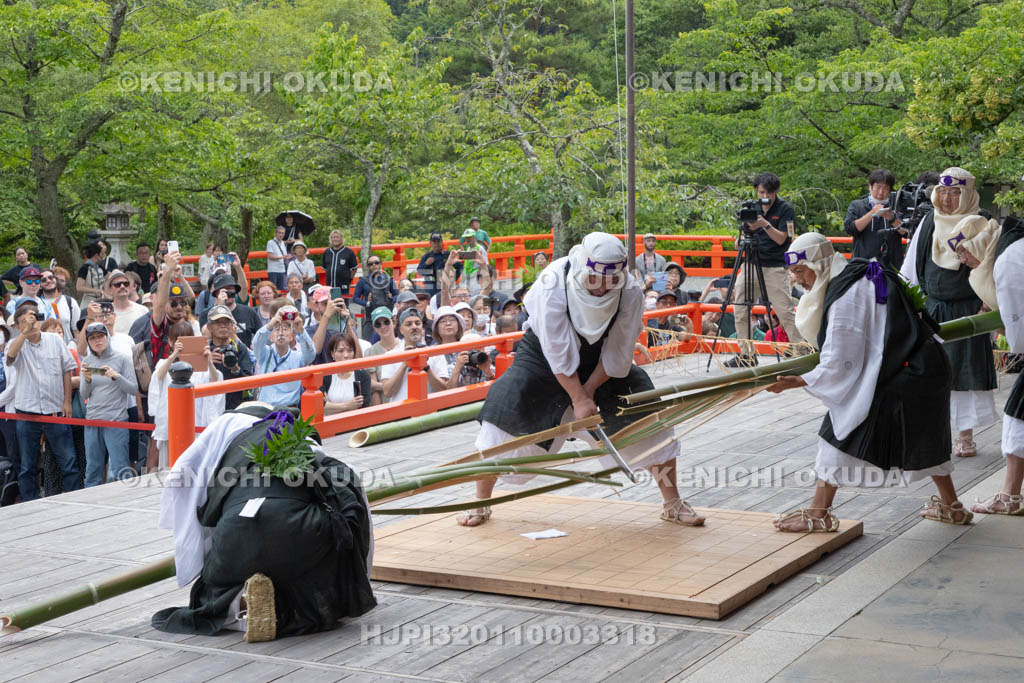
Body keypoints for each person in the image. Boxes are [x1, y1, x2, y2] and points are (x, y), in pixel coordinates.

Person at [460, 233, 705, 527]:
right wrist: (578, 397)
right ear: (583, 268)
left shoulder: (629, 290)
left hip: (602, 363)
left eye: (610, 281)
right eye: (595, 280)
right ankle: (481, 501)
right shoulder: (552, 282)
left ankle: (672, 503)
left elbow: (618, 352)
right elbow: (556, 348)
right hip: (542, 357)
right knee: (504, 409)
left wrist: (588, 392)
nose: (602, 289)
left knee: (646, 413)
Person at [767, 233, 972, 530]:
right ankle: (952, 507)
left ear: (818, 264)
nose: (797, 279)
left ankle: (818, 513)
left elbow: (841, 361)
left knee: (839, 431)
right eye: (792, 272)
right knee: (925, 436)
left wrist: (800, 380)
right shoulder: (855, 271)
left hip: (909, 370)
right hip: (927, 364)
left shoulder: (846, 294)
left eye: (800, 270)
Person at [152, 405, 375, 641]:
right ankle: (284, 607)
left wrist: (197, 549)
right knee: (310, 582)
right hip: (300, 527)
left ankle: (240, 607)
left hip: (235, 528)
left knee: (214, 591)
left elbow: (180, 476)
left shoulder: (224, 427)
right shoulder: (301, 438)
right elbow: (346, 486)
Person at [900, 167, 999, 458]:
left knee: (964, 373)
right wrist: (911, 302)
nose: (946, 198)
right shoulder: (929, 220)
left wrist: (988, 300)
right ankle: (934, 430)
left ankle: (964, 435)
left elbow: (993, 266)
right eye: (942, 191)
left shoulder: (983, 223)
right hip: (933, 308)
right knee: (931, 372)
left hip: (969, 308)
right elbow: (912, 266)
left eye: (955, 192)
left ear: (967, 193)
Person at [972, 216, 1024, 515]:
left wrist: (1006, 330)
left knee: (1017, 415)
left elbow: (1018, 337)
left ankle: (1009, 496)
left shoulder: (1011, 258)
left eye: (967, 254)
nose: (965, 261)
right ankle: (1011, 494)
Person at [5, 299, 80, 501]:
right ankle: (30, 503)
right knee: (27, 464)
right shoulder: (15, 343)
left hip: (54, 409)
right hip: (26, 412)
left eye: (35, 318)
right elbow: (11, 358)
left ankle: (75, 499)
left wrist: (66, 402)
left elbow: (67, 370)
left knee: (68, 461)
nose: (32, 323)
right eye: (25, 321)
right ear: (18, 325)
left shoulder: (54, 340)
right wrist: (24, 332)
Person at [726, 172, 803, 367]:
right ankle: (746, 354)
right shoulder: (752, 207)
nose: (764, 196)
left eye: (768, 192)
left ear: (775, 191)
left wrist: (765, 224)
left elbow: (783, 239)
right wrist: (740, 240)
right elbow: (743, 236)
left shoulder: (785, 209)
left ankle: (802, 351)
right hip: (751, 262)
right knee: (741, 307)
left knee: (784, 311)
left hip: (775, 267)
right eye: (761, 192)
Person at [148, 321, 224, 470]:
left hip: (196, 421)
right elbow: (159, 376)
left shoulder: (201, 365)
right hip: (172, 421)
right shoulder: (165, 363)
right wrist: (174, 355)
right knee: (170, 466)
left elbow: (215, 379)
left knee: (196, 466)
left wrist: (209, 361)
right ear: (170, 342)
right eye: (178, 340)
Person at [79, 322, 138, 487]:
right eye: (92, 338)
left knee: (120, 466)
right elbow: (84, 394)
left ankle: (126, 503)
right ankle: (91, 505)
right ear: (88, 342)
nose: (97, 341)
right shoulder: (87, 360)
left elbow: (133, 389)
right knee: (92, 468)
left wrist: (116, 376)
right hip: (92, 419)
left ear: (107, 337)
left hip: (116, 419)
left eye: (100, 336)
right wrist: (87, 379)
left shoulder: (122, 358)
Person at [251, 307, 316, 408]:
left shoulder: (298, 356)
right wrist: (270, 324)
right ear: (271, 337)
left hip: (289, 409)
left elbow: (311, 354)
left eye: (285, 329)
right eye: (277, 330)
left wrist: (301, 330)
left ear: (291, 336)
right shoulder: (264, 353)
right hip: (266, 408)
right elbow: (256, 343)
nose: (281, 333)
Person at [844, 168, 905, 269]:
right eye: (878, 187)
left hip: (892, 266)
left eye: (885, 188)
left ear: (890, 190)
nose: (881, 192)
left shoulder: (897, 207)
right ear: (870, 187)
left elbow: (907, 233)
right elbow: (850, 229)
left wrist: (892, 219)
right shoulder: (857, 205)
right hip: (862, 264)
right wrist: (872, 213)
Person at [428, 306, 491, 391]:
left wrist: (487, 371)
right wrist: (458, 367)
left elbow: (494, 380)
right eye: (443, 321)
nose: (448, 323)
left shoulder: (469, 344)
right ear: (436, 328)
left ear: (459, 325)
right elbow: (446, 391)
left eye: (452, 320)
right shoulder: (432, 353)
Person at [205, 305, 254, 411]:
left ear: (232, 326)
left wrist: (235, 369)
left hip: (235, 407)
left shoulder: (240, 348)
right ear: (209, 327)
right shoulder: (205, 349)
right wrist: (207, 362)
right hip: (210, 406)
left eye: (227, 322)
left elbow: (249, 383)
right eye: (218, 322)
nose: (223, 326)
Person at [199, 273, 262, 347]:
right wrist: (219, 307)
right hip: (217, 355)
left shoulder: (248, 312)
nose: (228, 293)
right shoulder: (206, 313)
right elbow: (206, 336)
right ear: (216, 293)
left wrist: (255, 348)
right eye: (224, 290)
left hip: (243, 356)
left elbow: (261, 336)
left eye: (231, 290)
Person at [379, 308, 429, 402]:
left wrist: (427, 367)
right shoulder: (390, 355)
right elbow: (388, 392)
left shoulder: (435, 352)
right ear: (401, 330)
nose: (414, 327)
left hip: (430, 411)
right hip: (401, 412)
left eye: (417, 323)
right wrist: (405, 363)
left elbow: (443, 389)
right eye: (408, 324)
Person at [322, 334, 374, 414]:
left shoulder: (363, 376)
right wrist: (348, 405)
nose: (346, 355)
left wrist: (331, 406)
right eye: (340, 351)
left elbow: (363, 407)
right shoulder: (325, 376)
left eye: (350, 351)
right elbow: (321, 406)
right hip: (330, 423)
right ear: (332, 354)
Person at [352, 256, 397, 340]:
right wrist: (366, 303)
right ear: (368, 267)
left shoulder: (389, 279)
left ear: (380, 264)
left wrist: (391, 299)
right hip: (371, 316)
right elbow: (355, 298)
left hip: (387, 315)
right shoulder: (363, 281)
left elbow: (397, 295)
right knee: (368, 342)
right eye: (370, 264)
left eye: (376, 262)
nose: (374, 265)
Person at [363, 307, 401, 403]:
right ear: (374, 328)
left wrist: (380, 386)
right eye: (378, 324)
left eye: (386, 322)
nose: (383, 326)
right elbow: (372, 386)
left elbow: (375, 385)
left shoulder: (404, 347)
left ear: (393, 322)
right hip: (384, 404)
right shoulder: (370, 352)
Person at [105, 270, 148, 336]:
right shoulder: (104, 314)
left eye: (126, 284)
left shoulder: (143, 310)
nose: (122, 286)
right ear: (110, 290)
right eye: (117, 284)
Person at [322, 230, 359, 294]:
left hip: (343, 287)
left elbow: (354, 269)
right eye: (333, 237)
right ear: (330, 239)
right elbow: (326, 268)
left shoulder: (348, 252)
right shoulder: (327, 252)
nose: (335, 239)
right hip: (330, 287)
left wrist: (348, 279)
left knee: (343, 303)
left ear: (341, 238)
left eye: (337, 237)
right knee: (331, 304)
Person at [76, 242, 107, 308]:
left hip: (100, 302)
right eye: (101, 254)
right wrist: (97, 291)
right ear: (96, 255)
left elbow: (110, 277)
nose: (103, 256)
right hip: (88, 303)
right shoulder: (84, 268)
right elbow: (79, 287)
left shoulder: (100, 268)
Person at [266, 225, 288, 291]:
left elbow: (284, 255)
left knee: (281, 290)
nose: (281, 235)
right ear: (275, 233)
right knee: (273, 290)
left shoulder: (283, 243)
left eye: (283, 233)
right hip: (273, 270)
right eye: (279, 232)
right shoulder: (270, 242)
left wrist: (287, 257)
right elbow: (270, 256)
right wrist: (282, 257)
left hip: (282, 269)